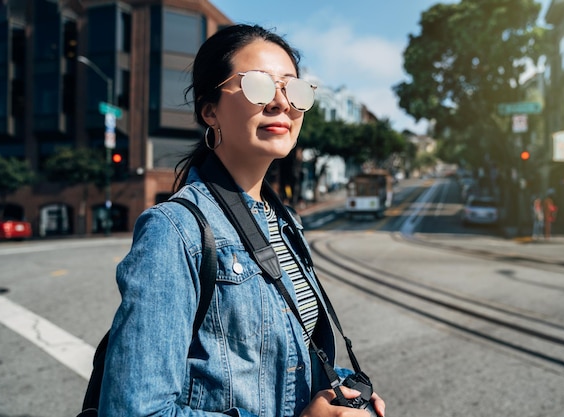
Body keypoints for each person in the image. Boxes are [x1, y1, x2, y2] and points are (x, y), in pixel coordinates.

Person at [98, 24, 385, 417]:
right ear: (209, 109)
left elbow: (273, 364)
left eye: (293, 89)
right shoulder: (174, 230)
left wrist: (340, 395)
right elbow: (135, 411)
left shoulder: (285, 221)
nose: (281, 103)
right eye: (259, 86)